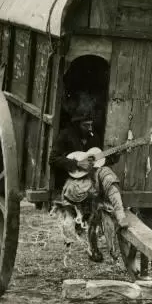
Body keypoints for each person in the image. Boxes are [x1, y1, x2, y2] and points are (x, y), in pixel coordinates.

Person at [49, 108, 128, 262]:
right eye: (86, 125)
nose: (90, 128)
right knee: (88, 198)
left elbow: (99, 160)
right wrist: (76, 163)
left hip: (94, 174)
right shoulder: (66, 135)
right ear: (78, 125)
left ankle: (120, 213)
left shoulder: (93, 137)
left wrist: (115, 157)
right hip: (76, 178)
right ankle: (92, 245)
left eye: (91, 125)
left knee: (108, 176)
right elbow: (53, 159)